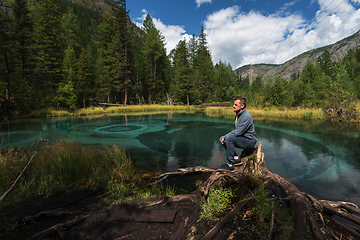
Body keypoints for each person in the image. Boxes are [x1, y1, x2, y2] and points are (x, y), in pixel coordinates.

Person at [219, 96, 257, 170]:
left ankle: (230, 165)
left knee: (229, 138)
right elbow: (235, 130)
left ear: (242, 106)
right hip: (243, 139)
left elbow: (237, 132)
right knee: (222, 138)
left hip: (249, 142)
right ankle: (236, 159)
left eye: (236, 105)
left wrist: (226, 136)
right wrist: (224, 136)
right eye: (234, 104)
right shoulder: (238, 115)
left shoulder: (246, 116)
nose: (233, 106)